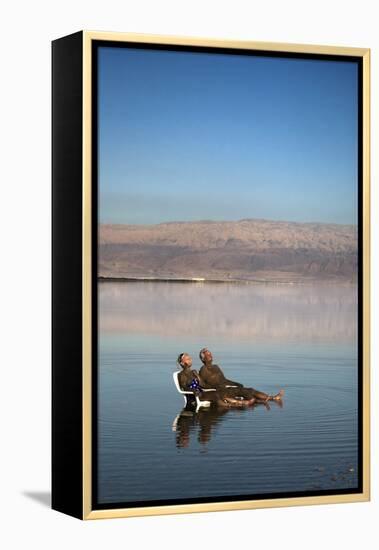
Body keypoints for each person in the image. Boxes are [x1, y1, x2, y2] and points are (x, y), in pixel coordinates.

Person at [198, 348, 284, 403]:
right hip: (220, 391)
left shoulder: (216, 367)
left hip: (227, 388)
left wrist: (236, 383)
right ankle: (265, 399)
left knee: (249, 389)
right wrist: (216, 387)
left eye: (210, 353)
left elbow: (224, 380)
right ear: (203, 358)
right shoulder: (203, 370)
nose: (211, 355)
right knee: (246, 392)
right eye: (208, 354)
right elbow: (203, 385)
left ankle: (271, 398)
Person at [177, 353, 256, 408]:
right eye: (187, 359)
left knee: (220, 392)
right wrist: (193, 390)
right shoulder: (182, 374)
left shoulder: (194, 372)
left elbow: (202, 385)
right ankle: (231, 405)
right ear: (182, 363)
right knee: (215, 395)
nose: (190, 360)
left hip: (202, 392)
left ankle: (239, 402)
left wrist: (214, 386)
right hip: (195, 395)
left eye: (190, 358)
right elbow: (183, 386)